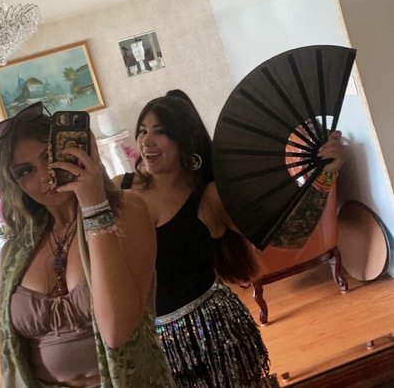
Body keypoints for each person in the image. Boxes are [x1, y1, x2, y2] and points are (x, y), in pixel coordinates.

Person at [113, 90, 344, 388]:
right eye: (143, 131)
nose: (147, 141)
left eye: (160, 132)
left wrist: (325, 176)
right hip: (151, 344)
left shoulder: (209, 196)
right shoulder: (119, 191)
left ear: (184, 141)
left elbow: (288, 235)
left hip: (215, 335)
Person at [0, 102, 175, 388]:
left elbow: (117, 331)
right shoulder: (15, 251)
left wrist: (93, 205)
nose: (44, 175)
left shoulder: (126, 210)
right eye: (25, 171)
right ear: (14, 184)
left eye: (49, 157)